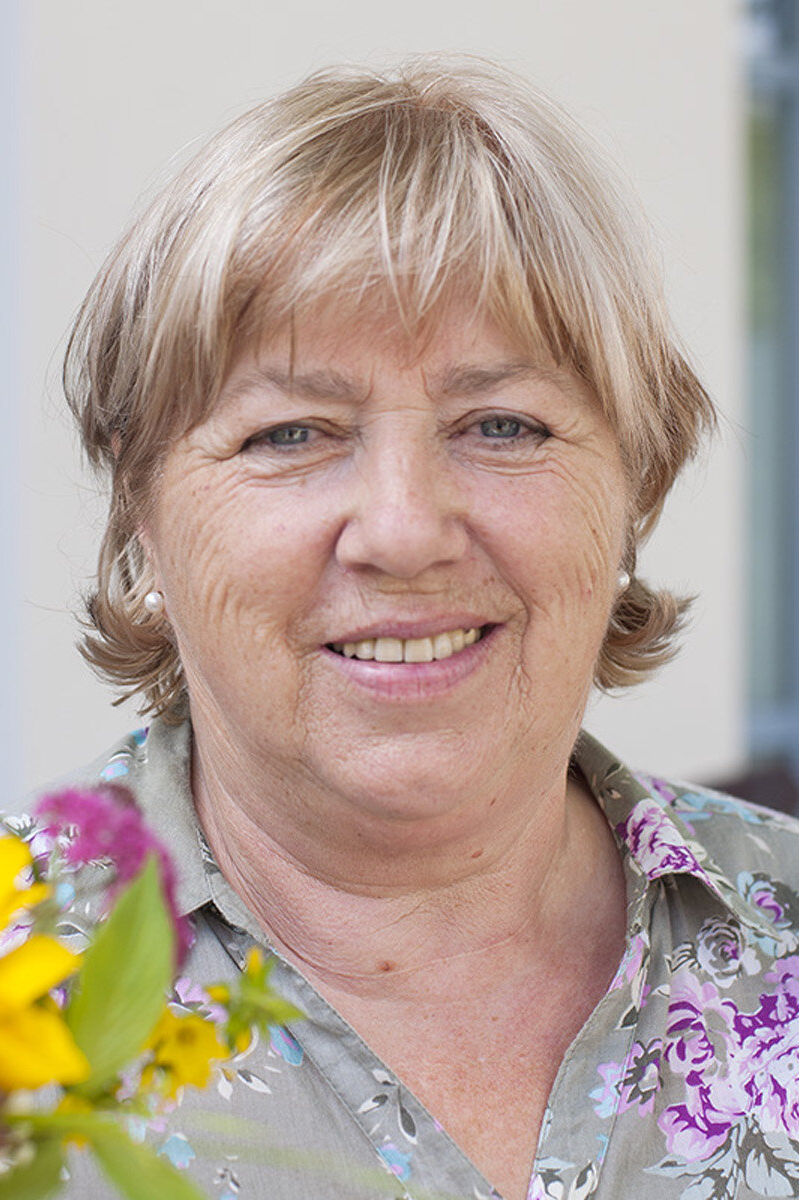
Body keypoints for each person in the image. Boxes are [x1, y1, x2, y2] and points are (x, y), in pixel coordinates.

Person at [51, 57, 799, 1199]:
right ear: (141, 514)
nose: (403, 533)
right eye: (291, 434)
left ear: (635, 490)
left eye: (502, 425)